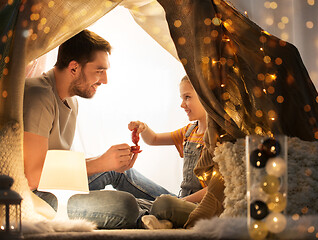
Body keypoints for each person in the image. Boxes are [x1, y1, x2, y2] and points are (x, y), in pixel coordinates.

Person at [23, 29, 171, 229]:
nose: (105, 80)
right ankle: (157, 212)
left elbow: (57, 166)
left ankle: (184, 205)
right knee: (124, 205)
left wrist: (109, 162)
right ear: (74, 68)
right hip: (36, 198)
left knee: (120, 172)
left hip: (55, 185)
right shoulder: (38, 95)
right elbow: (33, 177)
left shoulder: (71, 102)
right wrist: (100, 163)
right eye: (99, 71)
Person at [128, 75, 208, 229]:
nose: (182, 104)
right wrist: (143, 128)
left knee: (164, 203)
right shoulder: (189, 131)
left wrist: (181, 202)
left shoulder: (220, 138)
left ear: (205, 96)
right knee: (131, 202)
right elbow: (154, 139)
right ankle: (162, 219)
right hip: (181, 200)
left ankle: (158, 215)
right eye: (181, 98)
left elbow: (216, 189)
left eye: (187, 97)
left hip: (203, 206)